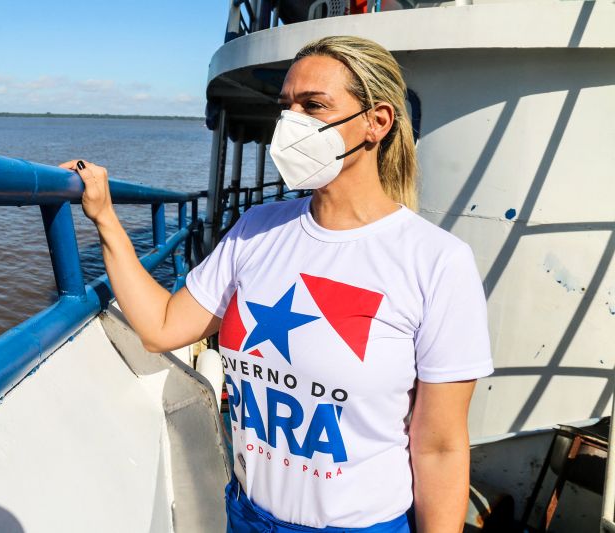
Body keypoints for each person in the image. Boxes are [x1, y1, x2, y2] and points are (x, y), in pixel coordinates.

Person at [60, 35, 493, 533]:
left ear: (377, 122)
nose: (292, 124)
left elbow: (439, 447)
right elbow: (161, 327)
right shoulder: (257, 228)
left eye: (314, 106)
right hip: (247, 514)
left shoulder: (436, 262)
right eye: (286, 107)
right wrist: (106, 217)